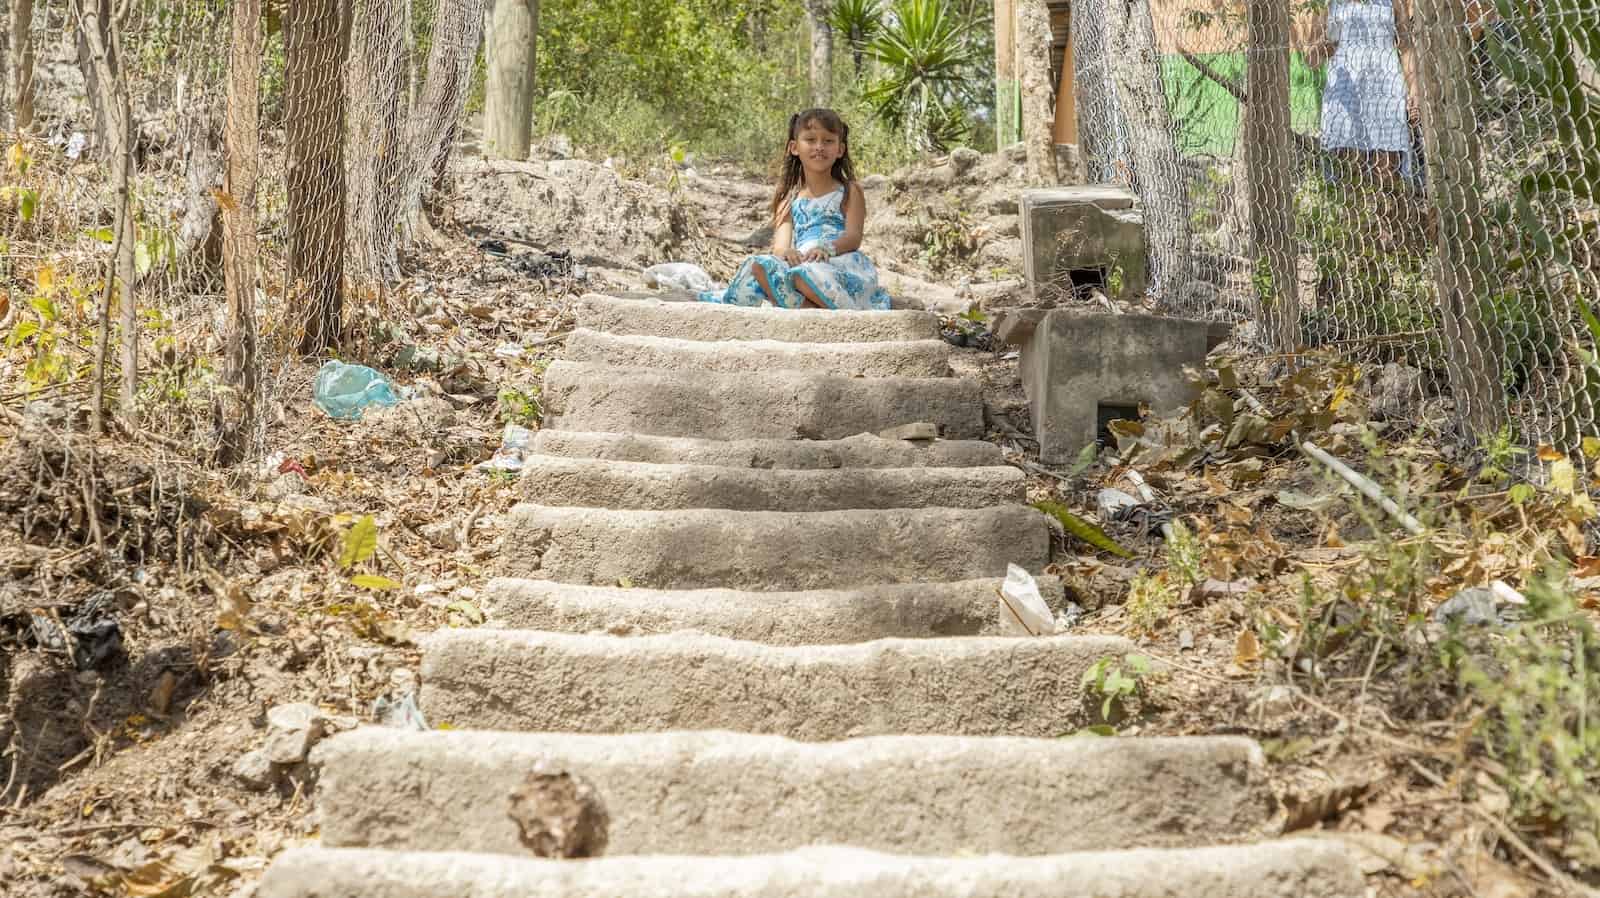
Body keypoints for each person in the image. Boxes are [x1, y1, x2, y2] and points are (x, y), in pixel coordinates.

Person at [698, 108, 893, 311]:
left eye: (828, 141)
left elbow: (854, 237)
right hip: (800, 261)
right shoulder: (789, 199)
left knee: (806, 276)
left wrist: (827, 249)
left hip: (836, 259)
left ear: (840, 150)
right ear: (794, 147)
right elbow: (780, 247)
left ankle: (812, 304)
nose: (819, 146)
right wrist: (788, 252)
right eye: (810, 140)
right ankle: (806, 306)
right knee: (759, 265)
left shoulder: (849, 190)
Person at [1307, 0, 1415, 180]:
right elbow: (1311, 59)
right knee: (1348, 173)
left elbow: (1406, 46)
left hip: (1386, 93)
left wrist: (1414, 90)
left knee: (1387, 175)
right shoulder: (1327, 3)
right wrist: (1326, 44)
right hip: (1346, 96)